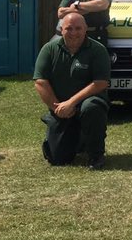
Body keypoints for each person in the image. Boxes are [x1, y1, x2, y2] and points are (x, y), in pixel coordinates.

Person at [33, 12, 110, 170]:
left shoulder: (97, 49)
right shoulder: (49, 49)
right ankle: (76, 138)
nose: (74, 32)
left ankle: (96, 155)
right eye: (69, 28)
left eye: (78, 28)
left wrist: (71, 102)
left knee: (91, 107)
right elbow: (40, 82)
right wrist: (57, 108)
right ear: (61, 29)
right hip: (61, 108)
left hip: (87, 104)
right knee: (58, 159)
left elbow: (100, 83)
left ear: (86, 29)